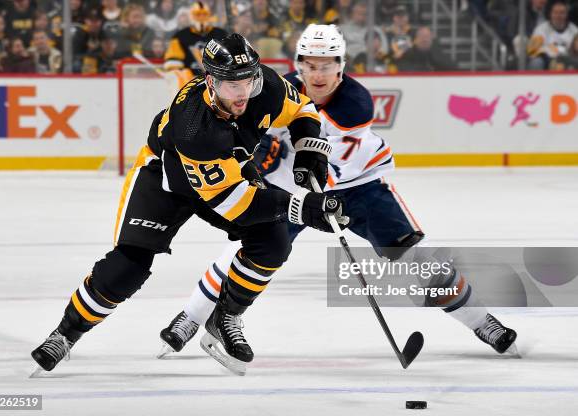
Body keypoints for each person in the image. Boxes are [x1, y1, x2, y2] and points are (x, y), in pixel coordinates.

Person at [158, 24, 518, 364]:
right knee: (247, 252)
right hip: (293, 192)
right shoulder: (266, 90)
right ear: (298, 65)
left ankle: (482, 321)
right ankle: (191, 317)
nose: (318, 75)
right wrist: (259, 155)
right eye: (310, 65)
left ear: (341, 66)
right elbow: (246, 134)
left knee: (413, 256)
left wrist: (284, 147)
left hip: (358, 187)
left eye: (327, 65)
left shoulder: (354, 104)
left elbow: (321, 142)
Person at [30, 33, 346, 376]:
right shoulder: (195, 126)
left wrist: (310, 147)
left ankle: (225, 317)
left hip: (225, 174)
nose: (242, 94)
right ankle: (65, 334)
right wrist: (303, 207)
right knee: (128, 266)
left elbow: (302, 107)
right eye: (230, 85)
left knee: (272, 242)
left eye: (247, 81)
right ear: (210, 82)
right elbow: (233, 204)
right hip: (165, 179)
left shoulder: (263, 84)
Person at [163, 1, 227, 79]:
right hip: (189, 81)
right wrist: (180, 75)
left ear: (209, 15)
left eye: (204, 14)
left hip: (217, 80)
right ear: (191, 16)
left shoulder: (222, 35)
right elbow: (173, 63)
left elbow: (229, 60)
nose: (201, 18)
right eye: (198, 15)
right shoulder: (180, 36)